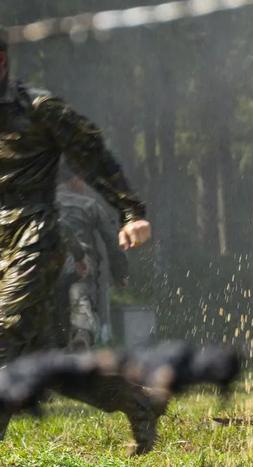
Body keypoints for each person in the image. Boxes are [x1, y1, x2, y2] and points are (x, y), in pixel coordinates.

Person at [0, 29, 164, 454]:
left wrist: (131, 211)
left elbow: (93, 152)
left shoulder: (39, 109)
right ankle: (139, 401)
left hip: (34, 239)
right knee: (45, 367)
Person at [56, 171, 129, 351]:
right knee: (81, 305)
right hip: (81, 268)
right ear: (75, 179)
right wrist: (120, 273)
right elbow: (112, 239)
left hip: (47, 269)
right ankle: (82, 334)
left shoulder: (43, 204)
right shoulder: (90, 205)